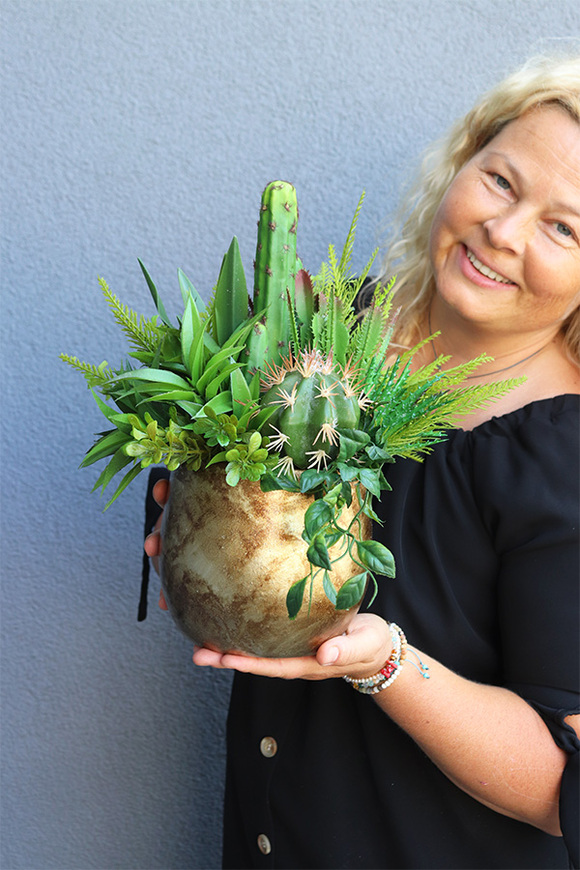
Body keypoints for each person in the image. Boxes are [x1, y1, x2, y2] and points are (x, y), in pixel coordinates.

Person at [144, 54, 580, 869]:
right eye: (501, 182)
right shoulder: (323, 332)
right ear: (464, 161)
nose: (505, 231)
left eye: (564, 227)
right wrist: (198, 512)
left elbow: (565, 783)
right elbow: (245, 486)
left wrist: (381, 662)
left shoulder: (562, 457)